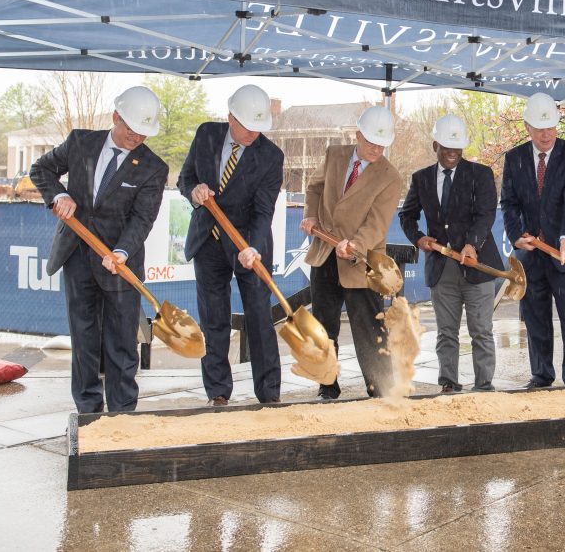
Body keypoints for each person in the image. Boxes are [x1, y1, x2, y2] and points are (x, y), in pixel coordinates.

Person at [30, 86, 168, 414]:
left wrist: (121, 252)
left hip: (120, 261)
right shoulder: (81, 142)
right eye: (131, 129)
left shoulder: (153, 167)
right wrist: (59, 195)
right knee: (84, 335)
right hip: (77, 253)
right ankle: (88, 409)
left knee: (122, 339)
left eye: (143, 133)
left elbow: (142, 218)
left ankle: (122, 411)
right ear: (116, 117)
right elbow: (41, 170)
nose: (137, 137)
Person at [178, 84, 284, 406]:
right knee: (214, 320)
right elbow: (185, 178)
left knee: (259, 317)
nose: (253, 133)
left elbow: (264, 210)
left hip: (248, 245)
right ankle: (218, 392)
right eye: (247, 126)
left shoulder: (271, 156)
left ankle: (269, 394)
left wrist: (252, 247)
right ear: (230, 117)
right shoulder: (206, 134)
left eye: (258, 127)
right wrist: (194, 192)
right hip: (207, 242)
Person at [299, 105, 404, 399]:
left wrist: (355, 245)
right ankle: (327, 386)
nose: (376, 149)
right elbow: (314, 188)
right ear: (357, 135)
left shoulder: (390, 177)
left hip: (362, 261)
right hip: (324, 254)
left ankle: (381, 389)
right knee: (323, 326)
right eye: (371, 142)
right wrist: (311, 215)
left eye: (382, 144)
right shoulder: (334, 155)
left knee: (369, 328)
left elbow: (377, 223)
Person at [501, 92, 565, 388]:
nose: (546, 135)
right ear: (527, 127)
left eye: (551, 127)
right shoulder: (514, 158)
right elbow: (509, 203)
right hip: (533, 252)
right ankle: (541, 375)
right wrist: (516, 236)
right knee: (536, 318)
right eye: (540, 129)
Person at [399, 114, 501, 393]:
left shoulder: (481, 175)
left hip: (477, 265)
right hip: (441, 268)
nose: (452, 153)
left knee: (481, 330)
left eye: (457, 148)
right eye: (446, 148)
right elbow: (407, 215)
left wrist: (472, 244)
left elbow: (486, 214)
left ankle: (484, 385)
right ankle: (448, 383)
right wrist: (418, 238)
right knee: (446, 332)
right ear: (435, 146)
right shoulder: (421, 179)